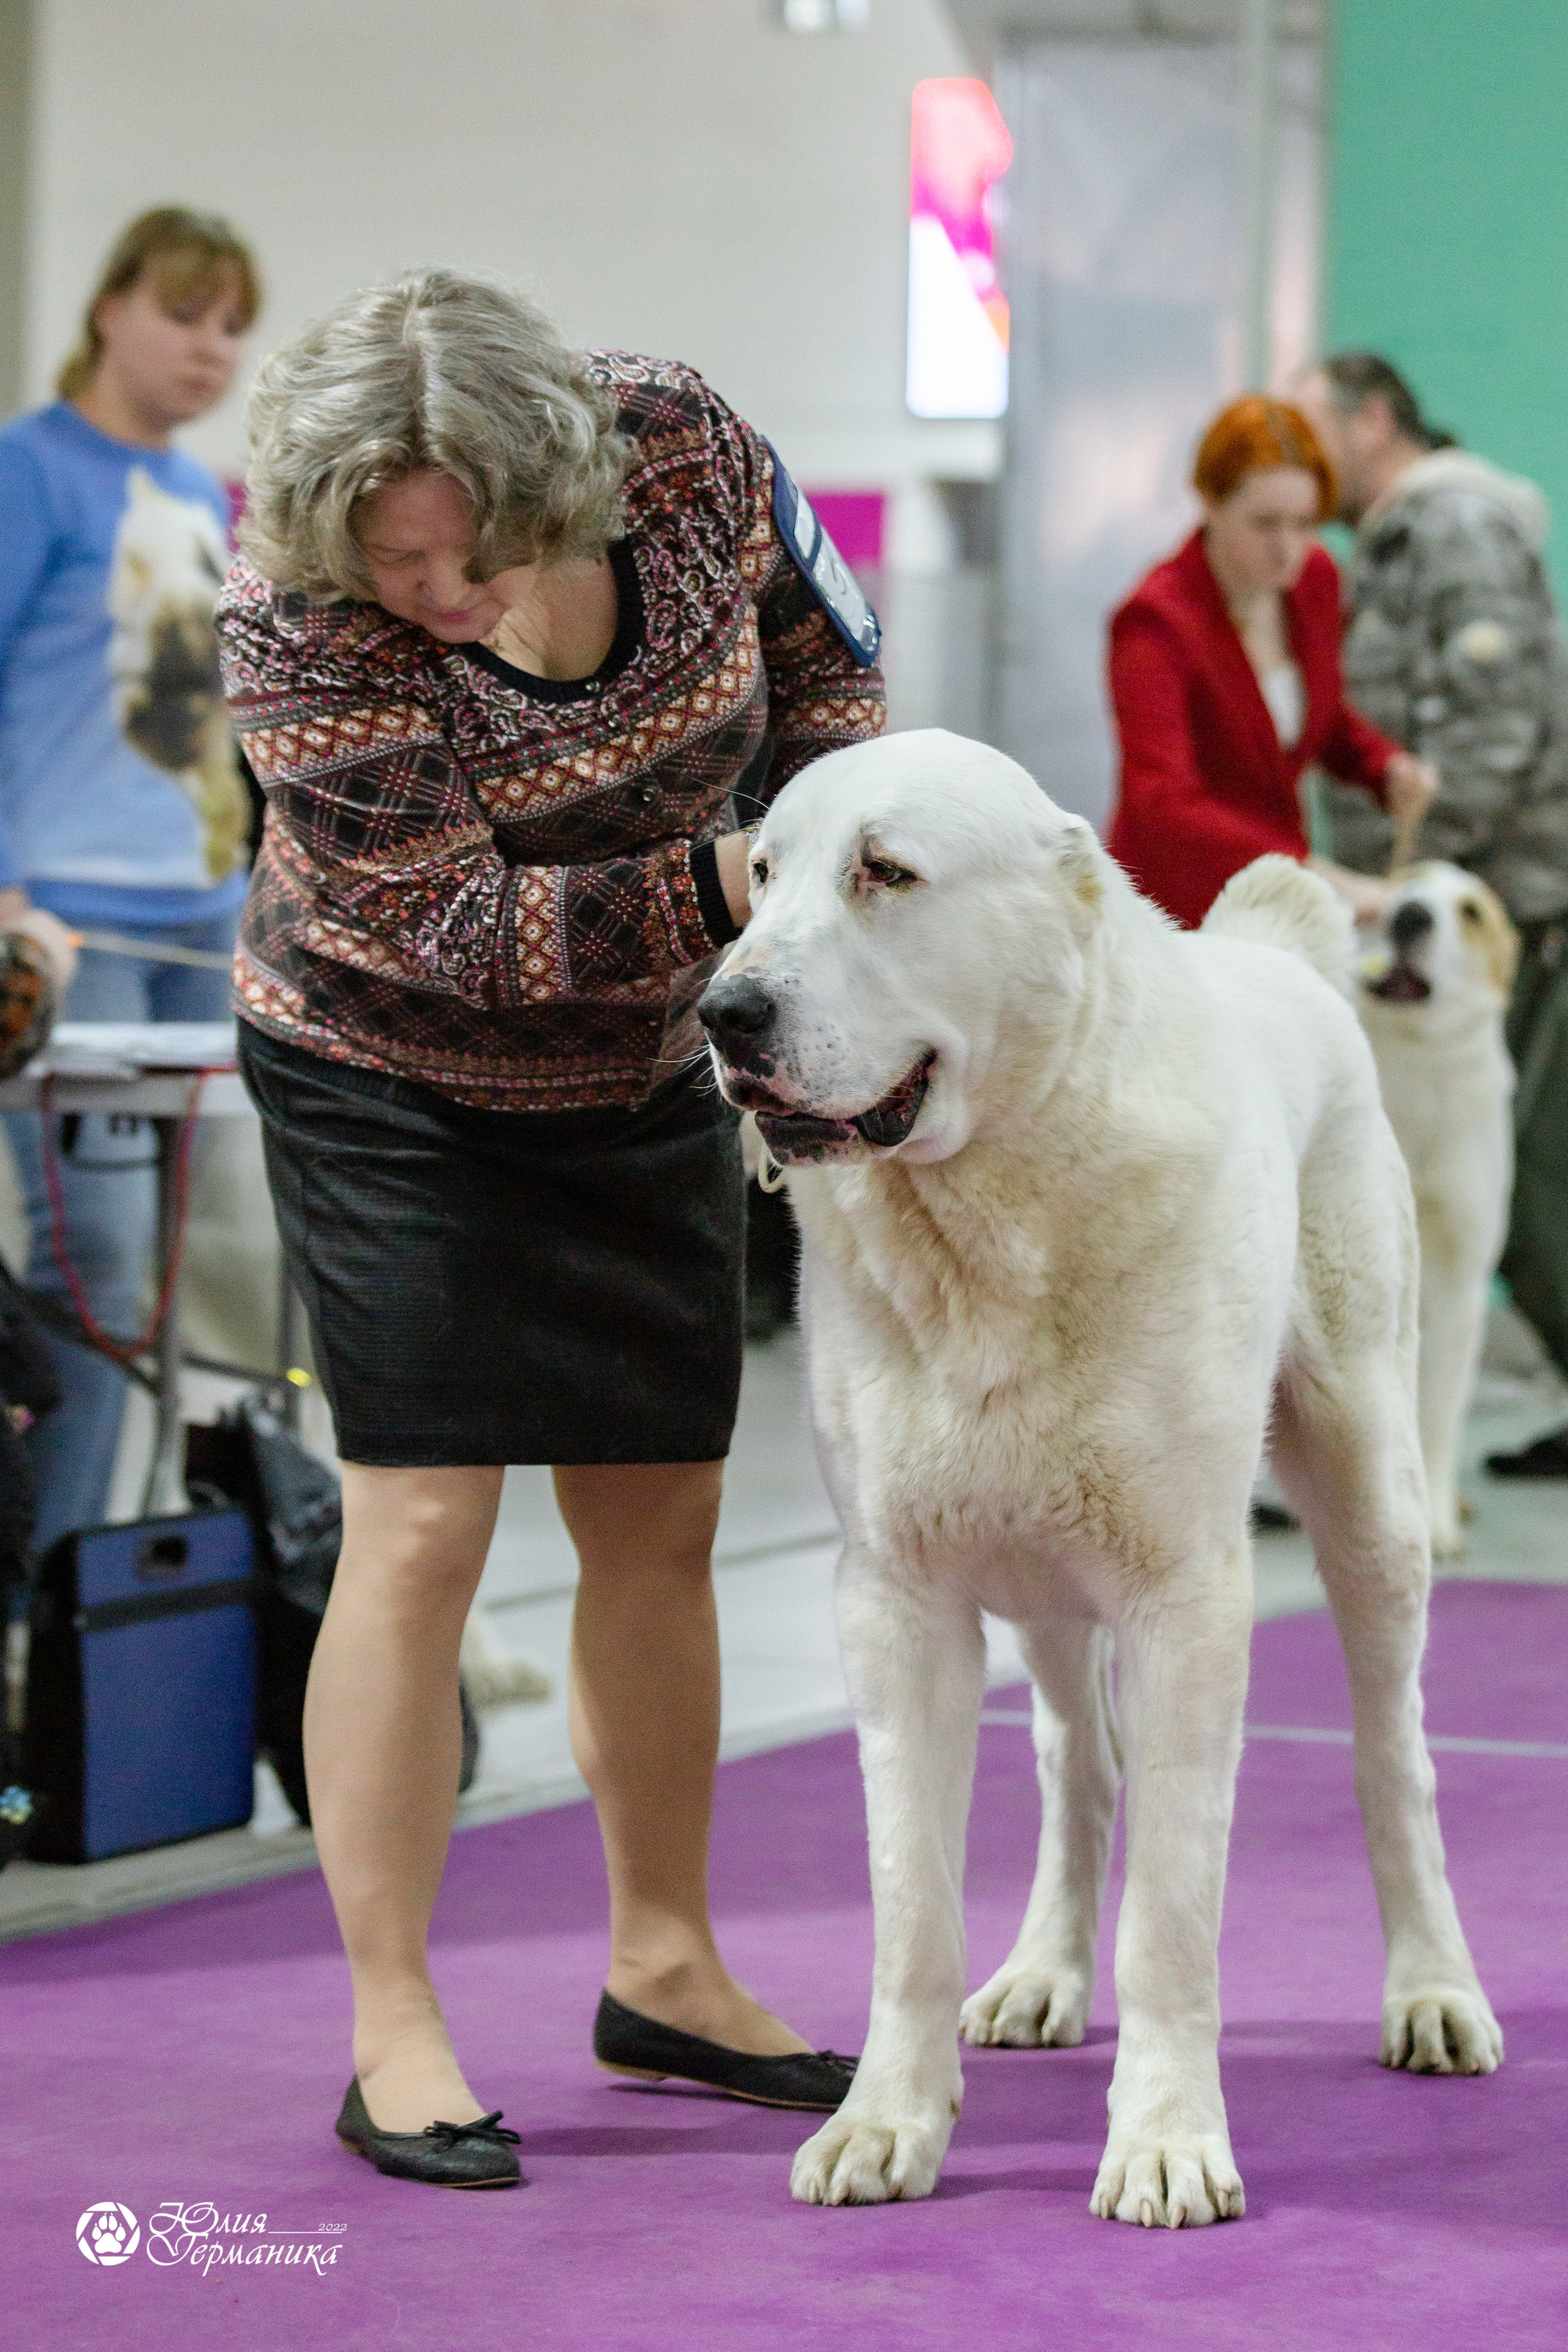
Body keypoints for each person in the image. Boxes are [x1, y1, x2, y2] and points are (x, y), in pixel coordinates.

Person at [216, 270, 884, 2186]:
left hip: (650, 1062)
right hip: (388, 1073)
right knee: (423, 1519)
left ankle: (663, 1965)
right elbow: (445, 928)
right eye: (393, 559)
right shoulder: (295, 609)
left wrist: (822, 838)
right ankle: (394, 2022)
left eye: (475, 551)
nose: (433, 589)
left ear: (563, 480)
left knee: (659, 1505)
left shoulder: (683, 442)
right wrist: (723, 877)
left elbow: (829, 664)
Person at [0, 208, 261, 1550]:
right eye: (183, 314)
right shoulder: (27, 473)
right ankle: (41, 1607)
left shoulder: (194, 496)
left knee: (163, 1296)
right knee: (91, 1279)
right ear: (109, 308)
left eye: (231, 327)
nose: (209, 349)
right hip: (69, 923)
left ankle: (103, 1598)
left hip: (196, 926)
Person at [1295, 354, 1568, 1479]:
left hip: (1494, 916)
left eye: (1316, 433)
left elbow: (1497, 724)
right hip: (1436, 921)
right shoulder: (1398, 540)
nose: (1306, 465)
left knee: (1529, 1180)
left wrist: (1416, 899)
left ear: (1374, 423)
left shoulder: (1452, 525)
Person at [1106, 394, 1436, 931]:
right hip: (1176, 908)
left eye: (1305, 523)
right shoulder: (1154, 622)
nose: (1289, 548)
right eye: (1265, 524)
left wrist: (1384, 766)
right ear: (1210, 503)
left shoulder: (1314, 580)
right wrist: (1303, 869)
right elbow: (1160, 801)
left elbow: (1317, 714)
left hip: (1276, 903)